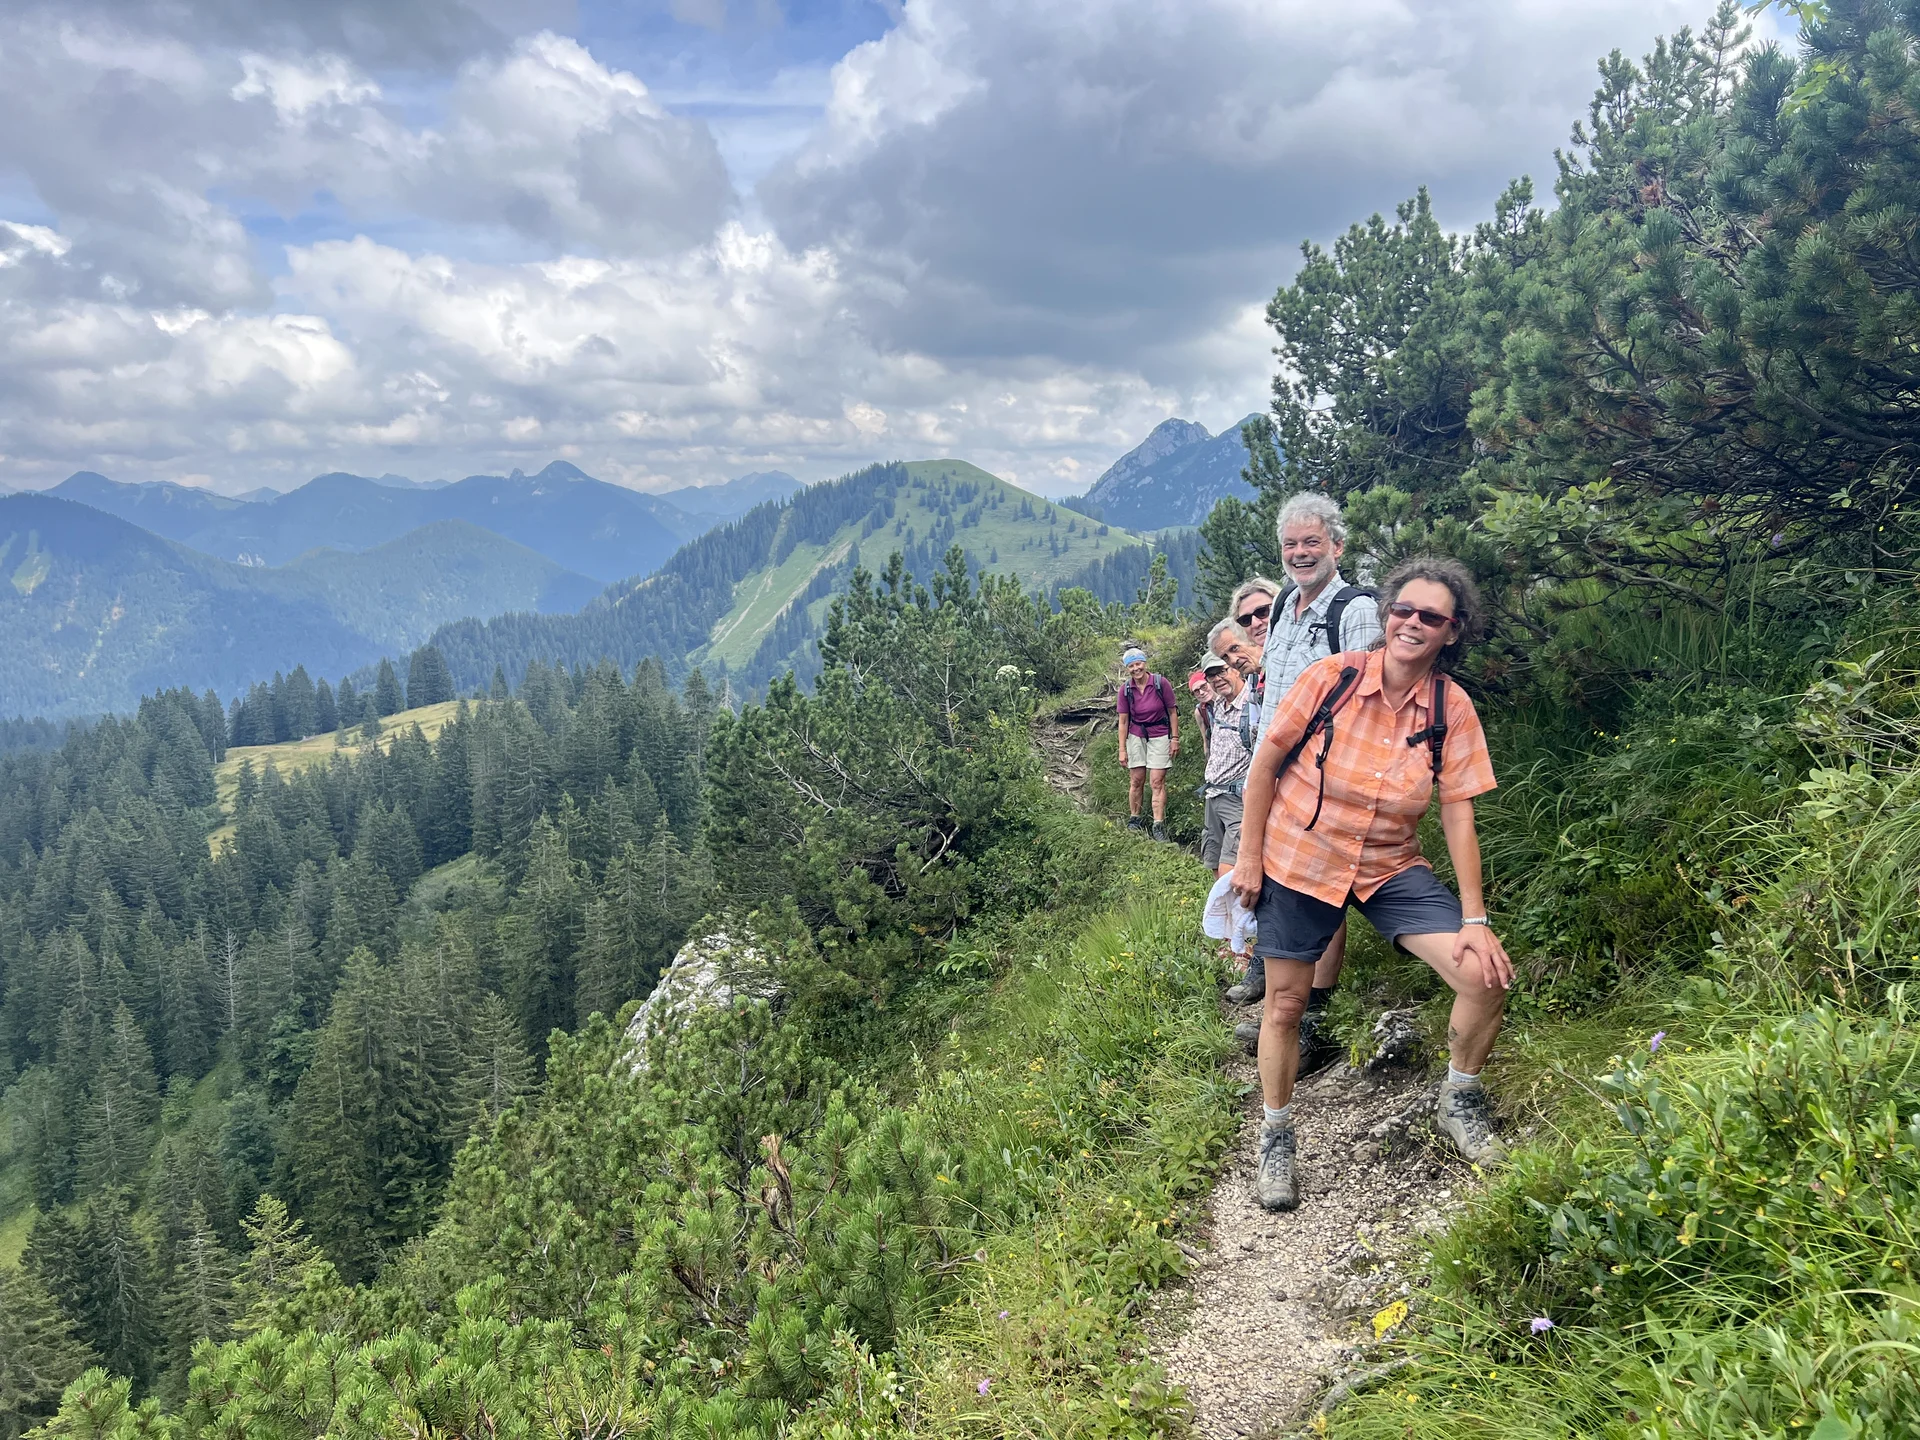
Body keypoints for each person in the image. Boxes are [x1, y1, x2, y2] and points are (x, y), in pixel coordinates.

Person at [1230, 556, 1512, 1211]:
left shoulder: (1450, 707)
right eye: (1403, 610)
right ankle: (1276, 1135)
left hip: (1388, 864)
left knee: (1484, 976)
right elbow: (1266, 763)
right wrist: (1248, 857)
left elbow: (1459, 812)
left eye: (1430, 617)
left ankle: (1459, 1098)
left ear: (1453, 630)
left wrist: (1475, 919)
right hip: (1301, 855)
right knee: (1285, 1005)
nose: (1412, 623)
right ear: (1386, 614)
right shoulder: (1332, 678)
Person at [1197, 652, 1253, 875]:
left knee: (1229, 871)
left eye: (1221, 671)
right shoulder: (1218, 703)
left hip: (1237, 799)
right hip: (1213, 795)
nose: (1217, 679)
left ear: (1235, 669)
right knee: (1213, 863)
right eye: (1211, 675)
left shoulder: (1254, 705)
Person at [1115, 647, 1179, 841]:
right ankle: (1135, 818)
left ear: (1144, 663)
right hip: (1136, 735)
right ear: (1127, 668)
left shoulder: (1160, 683)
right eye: (1131, 666)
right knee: (1136, 780)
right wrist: (1122, 749)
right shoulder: (1126, 690)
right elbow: (1123, 721)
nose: (1136, 668)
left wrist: (1175, 739)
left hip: (1160, 734)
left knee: (1157, 781)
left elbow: (1172, 712)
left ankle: (1158, 824)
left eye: (1138, 664)